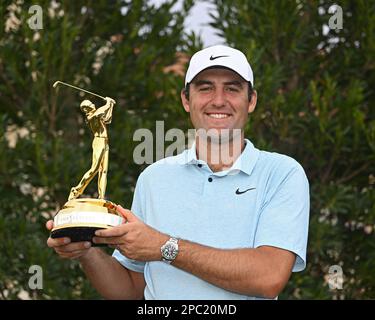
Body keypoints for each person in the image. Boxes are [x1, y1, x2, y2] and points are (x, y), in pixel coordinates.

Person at [46, 45, 310, 300]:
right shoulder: (154, 178)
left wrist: (165, 247)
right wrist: (85, 252)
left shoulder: (282, 173)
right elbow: (130, 289)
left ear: (251, 101)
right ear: (186, 100)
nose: (218, 100)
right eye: (205, 88)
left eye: (232, 89)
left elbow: (268, 277)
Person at [68, 97, 115, 200]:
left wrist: (111, 105)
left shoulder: (97, 115)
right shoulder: (91, 117)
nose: (93, 104)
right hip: (98, 141)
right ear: (86, 109)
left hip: (105, 141)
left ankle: (101, 196)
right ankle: (76, 190)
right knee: (95, 168)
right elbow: (100, 112)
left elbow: (108, 119)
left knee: (104, 170)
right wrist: (108, 103)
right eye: (90, 104)